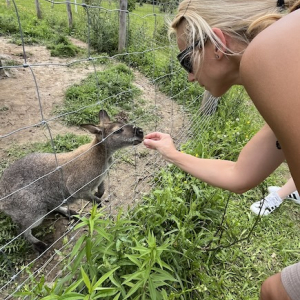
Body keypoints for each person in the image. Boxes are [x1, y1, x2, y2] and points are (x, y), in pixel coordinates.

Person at [143, 1, 300, 299]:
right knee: (273, 291)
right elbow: (240, 173)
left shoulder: (263, 55)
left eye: (186, 61)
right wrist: (173, 153)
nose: (189, 77)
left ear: (217, 43)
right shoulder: (284, 55)